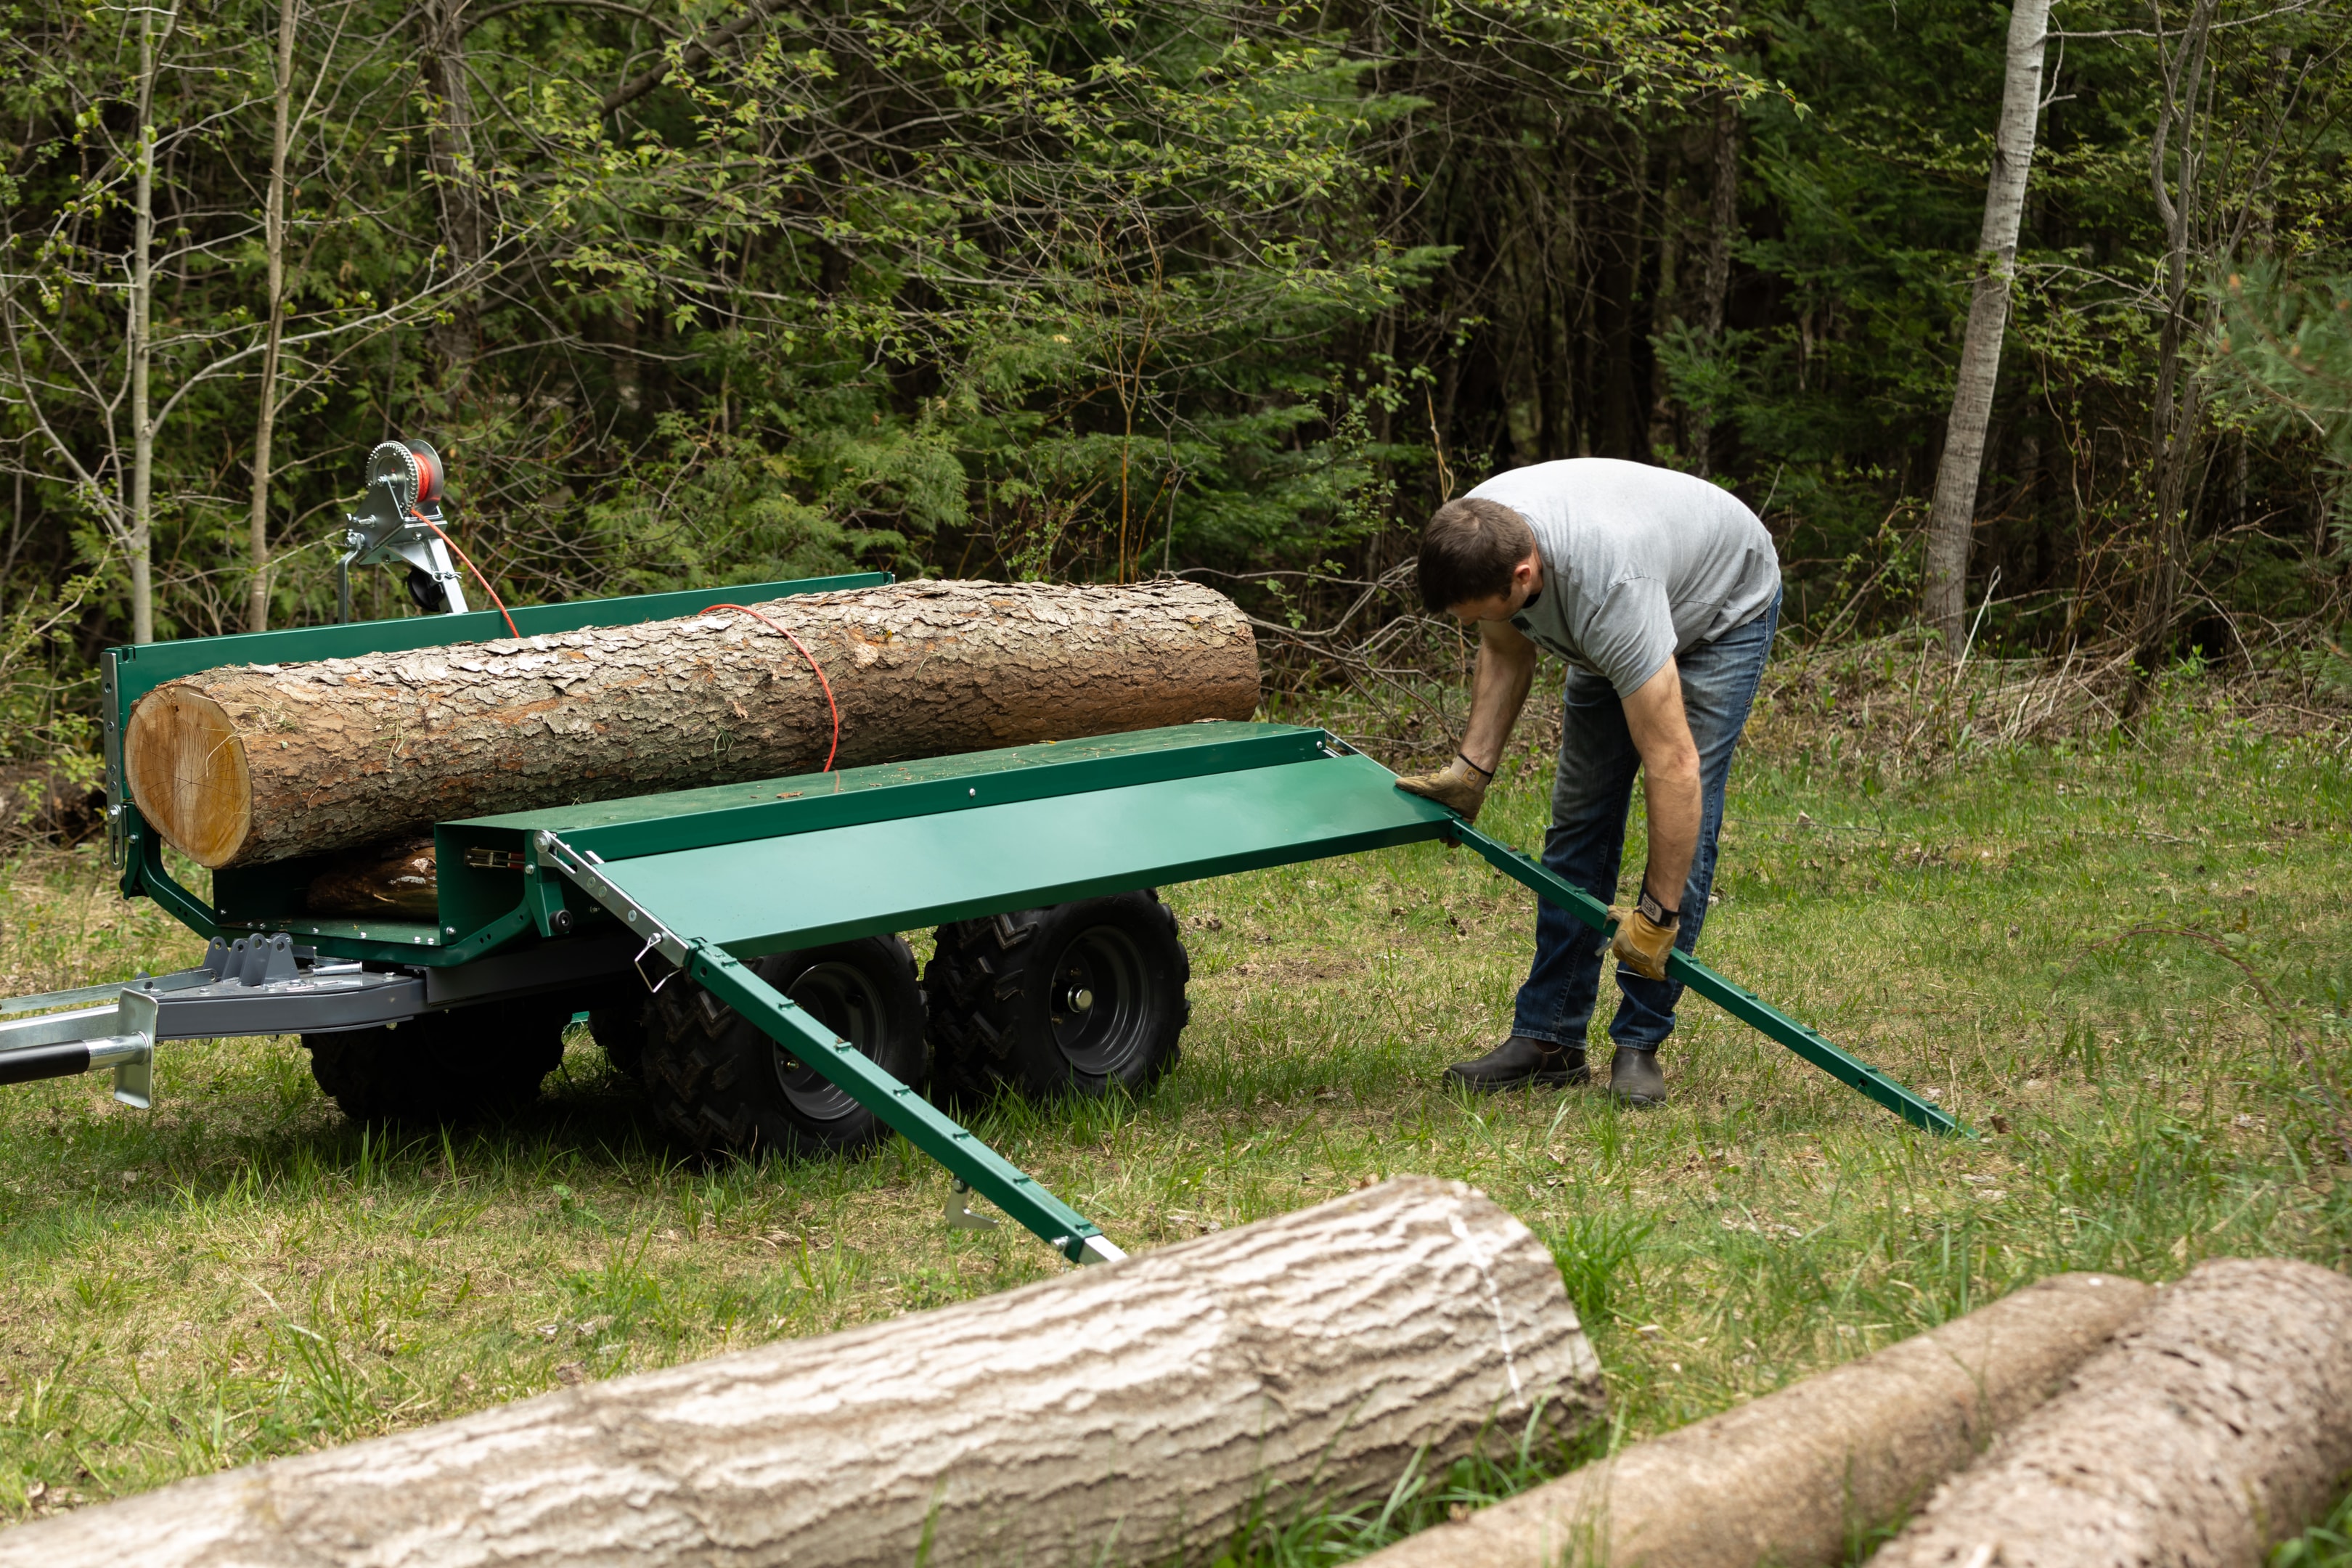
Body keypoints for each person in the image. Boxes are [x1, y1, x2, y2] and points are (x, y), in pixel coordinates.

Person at [1395, 457, 1781, 1105]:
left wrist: (1655, 919)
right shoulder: (1479, 531)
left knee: (1689, 810)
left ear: (1525, 574)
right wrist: (1471, 771)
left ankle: (1639, 1042)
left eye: (1479, 611)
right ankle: (1548, 1040)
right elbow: (1503, 644)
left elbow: (1672, 766)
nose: (1470, 625)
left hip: (1719, 609)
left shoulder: (1610, 590)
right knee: (1579, 819)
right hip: (1620, 600)